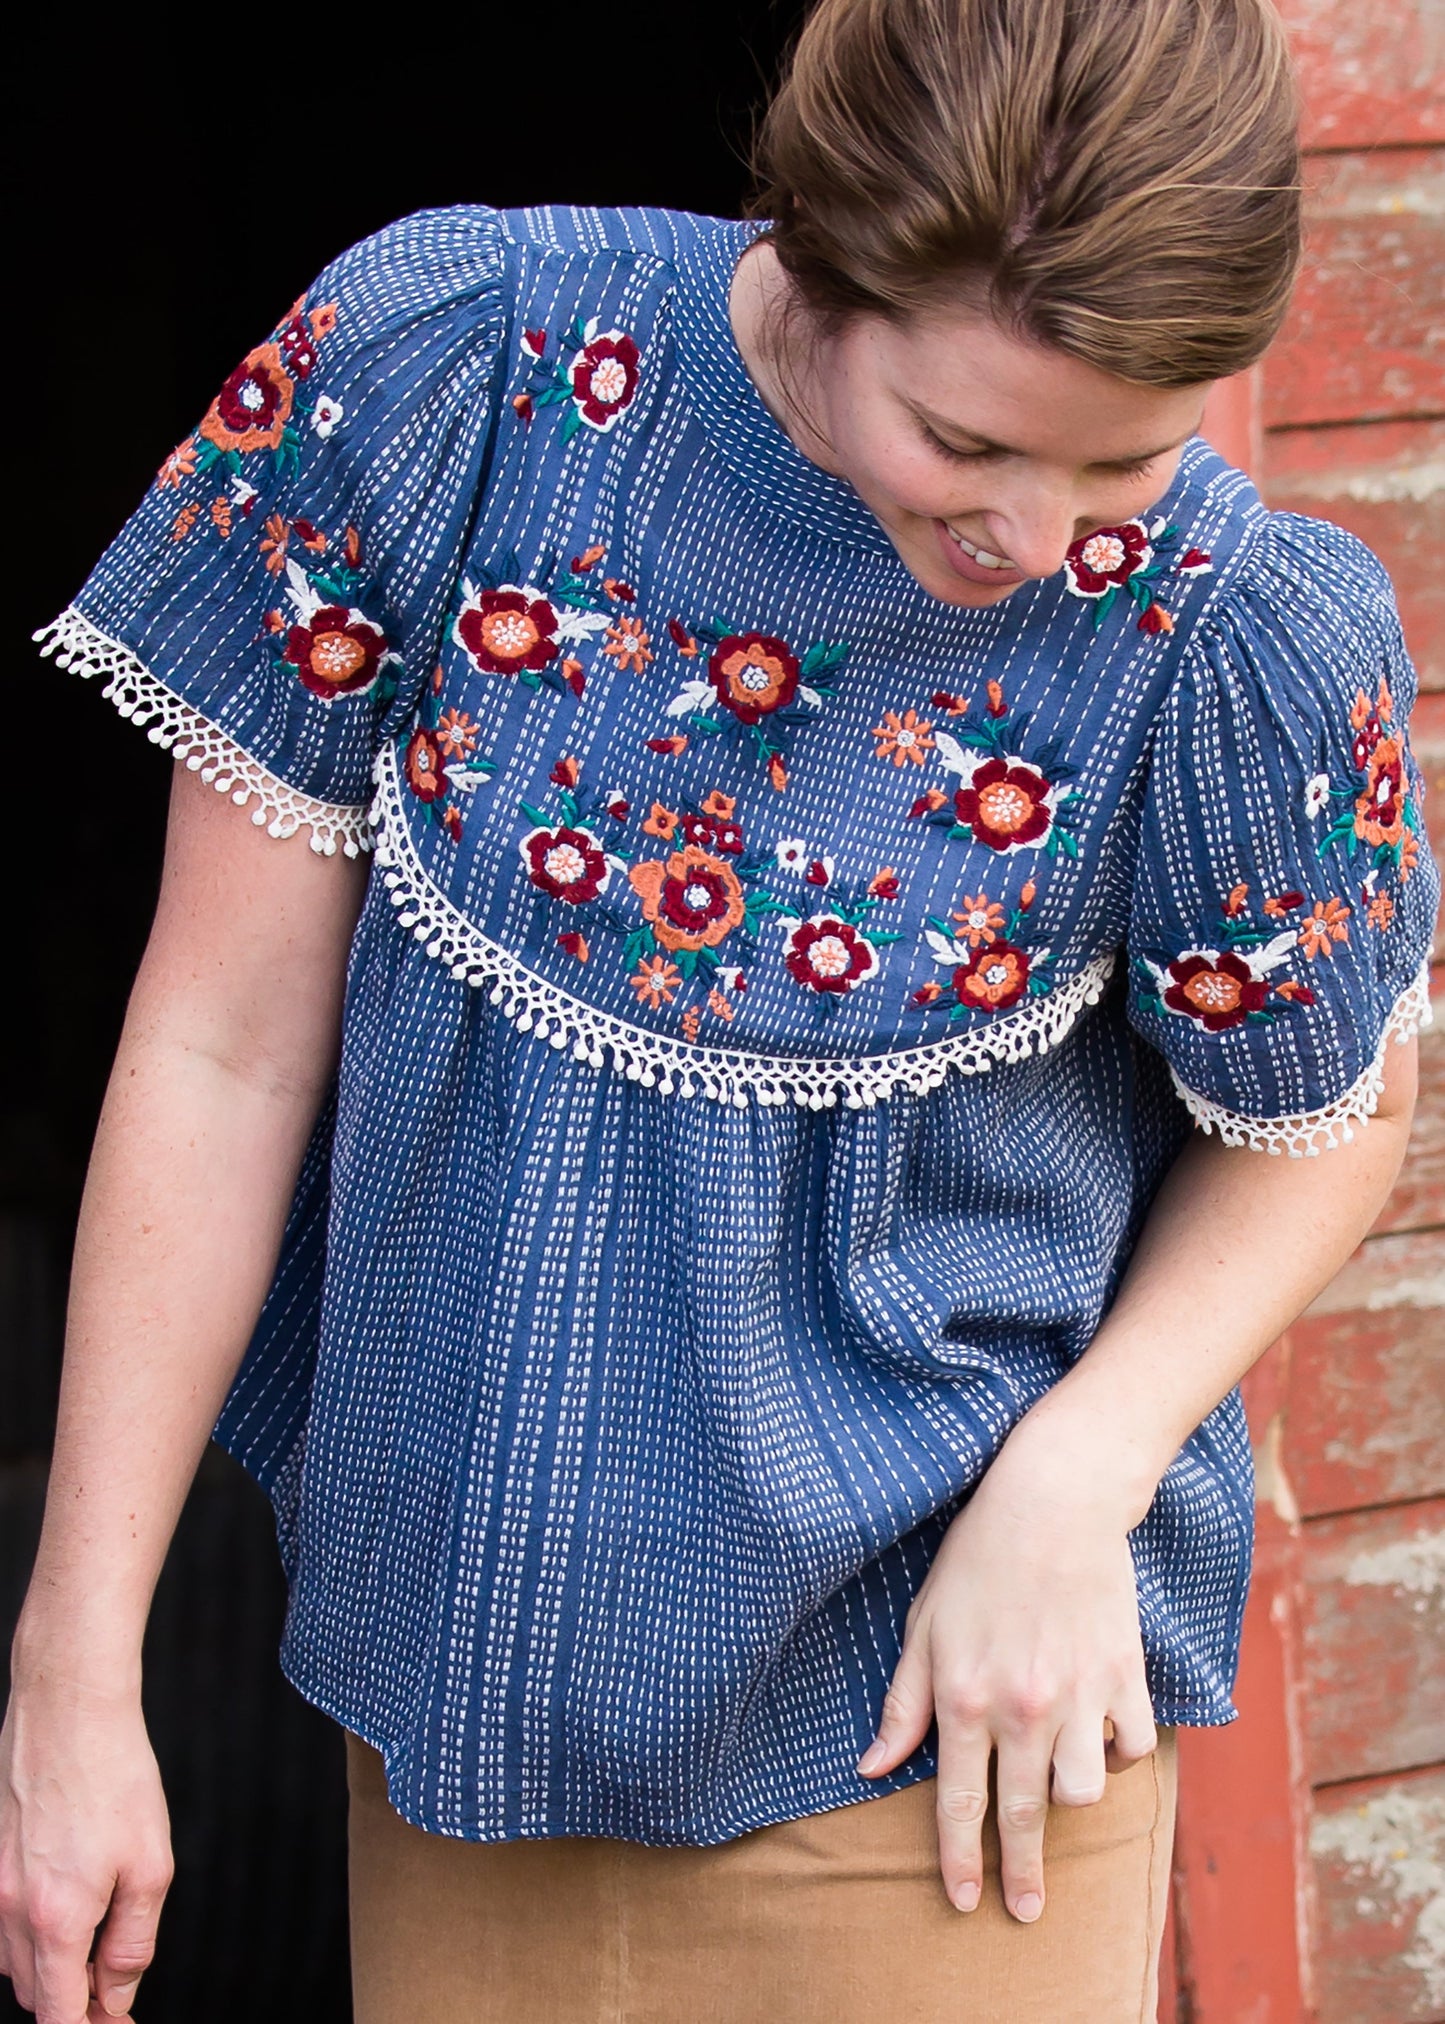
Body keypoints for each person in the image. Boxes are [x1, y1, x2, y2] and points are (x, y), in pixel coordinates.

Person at [3, 0, 1438, 2017]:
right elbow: (222, 1047)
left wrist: (1079, 1466)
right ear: (818, 253)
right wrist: (76, 1673)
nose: (1040, 536)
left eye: (1128, 448)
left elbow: (1328, 1120)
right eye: (969, 439)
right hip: (466, 1716)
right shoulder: (459, 375)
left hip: (950, 1731)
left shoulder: (1237, 631)